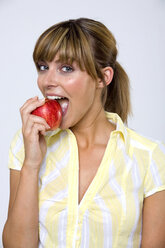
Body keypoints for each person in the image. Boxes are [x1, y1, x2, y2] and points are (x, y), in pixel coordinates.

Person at [2, 18, 165, 248]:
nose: (47, 81)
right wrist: (31, 165)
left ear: (102, 78)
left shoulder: (148, 157)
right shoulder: (26, 145)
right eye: (43, 67)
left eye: (66, 68)